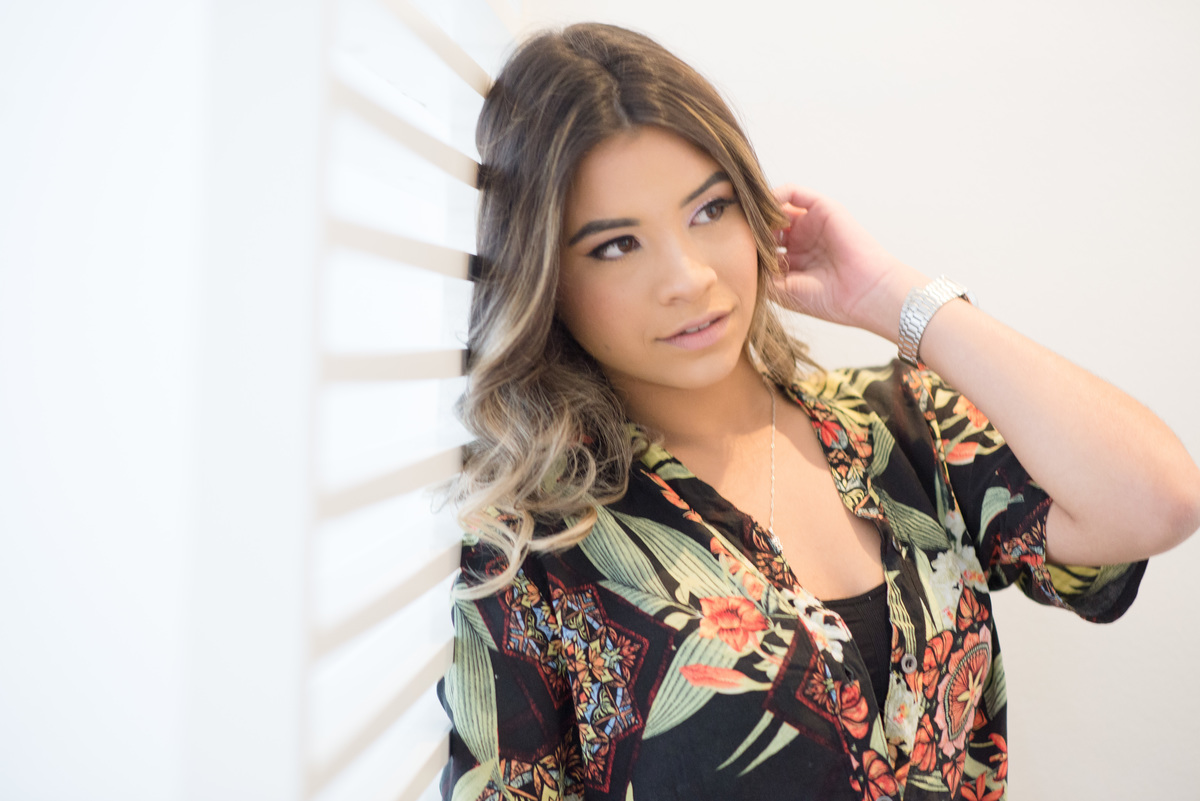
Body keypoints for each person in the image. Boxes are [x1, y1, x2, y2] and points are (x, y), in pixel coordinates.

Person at [438, 22, 1200, 801]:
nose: (688, 277)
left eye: (710, 209)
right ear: (545, 276)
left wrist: (893, 298)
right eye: (615, 245)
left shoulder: (902, 427)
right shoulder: (539, 550)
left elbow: (1159, 499)